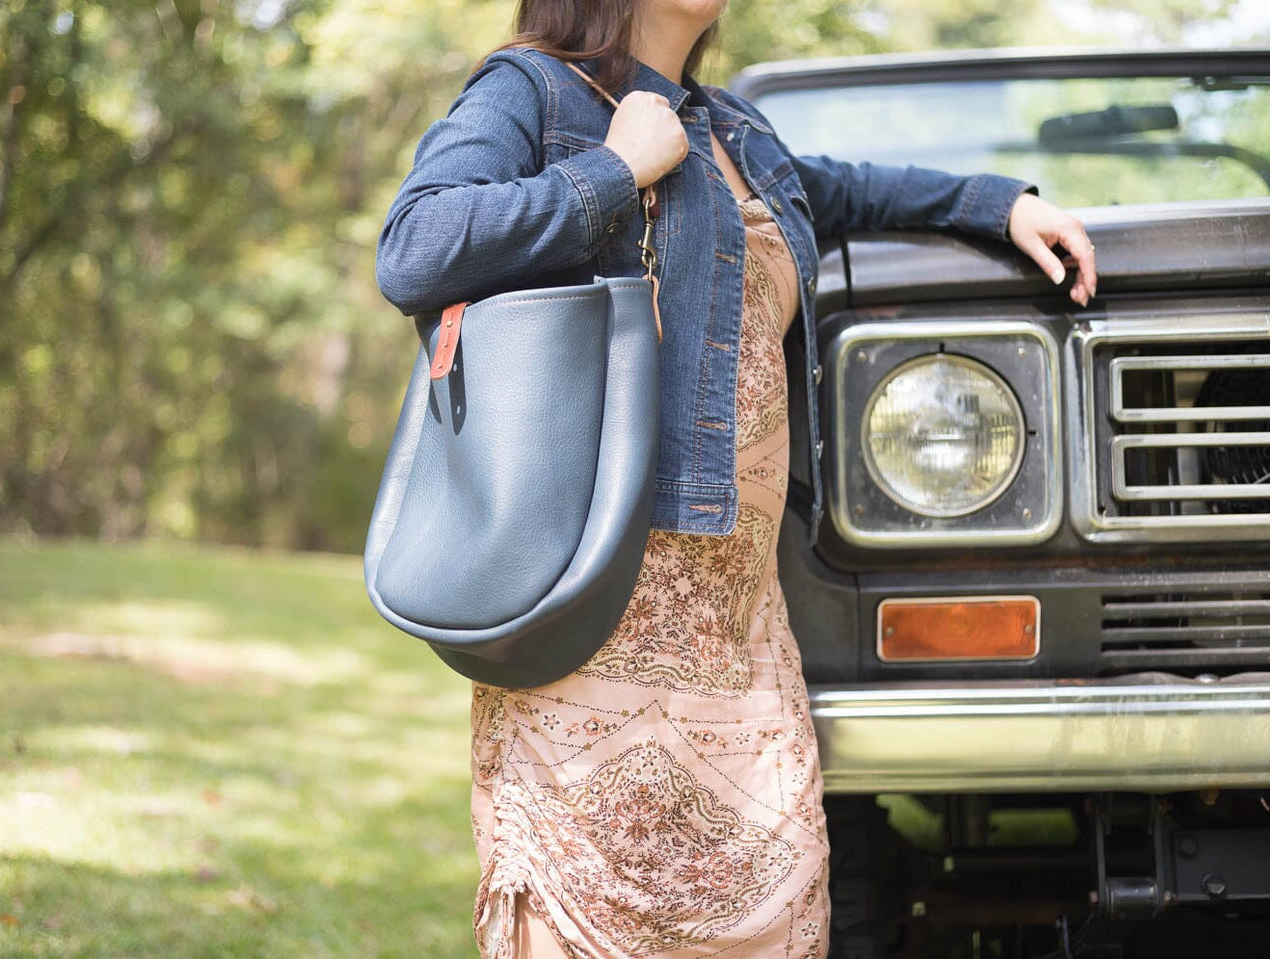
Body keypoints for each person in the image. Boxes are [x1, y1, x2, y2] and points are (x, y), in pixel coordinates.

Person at [376, 1, 1099, 956]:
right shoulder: (533, 90)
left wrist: (996, 203)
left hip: (743, 617)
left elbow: (851, 191)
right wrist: (613, 171)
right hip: (598, 597)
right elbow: (416, 247)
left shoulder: (738, 133)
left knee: (778, 906)